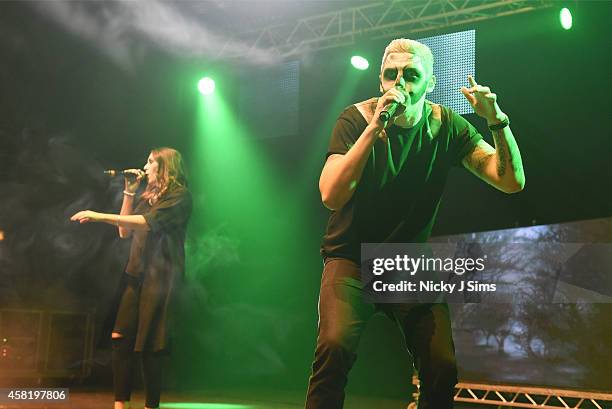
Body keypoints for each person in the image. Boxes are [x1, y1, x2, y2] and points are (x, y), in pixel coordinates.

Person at [305, 38, 525, 409]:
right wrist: (374, 129)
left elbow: (510, 181)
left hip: (407, 261)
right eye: (391, 75)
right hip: (351, 259)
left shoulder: (446, 126)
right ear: (380, 81)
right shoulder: (355, 119)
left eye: (411, 75)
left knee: (441, 364)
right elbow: (330, 195)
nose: (400, 83)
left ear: (430, 83)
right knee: (334, 346)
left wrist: (496, 120)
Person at [71, 147, 192, 409]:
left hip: (159, 279)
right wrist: (129, 191)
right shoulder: (148, 196)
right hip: (135, 274)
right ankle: (120, 405)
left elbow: (147, 223)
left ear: (165, 167)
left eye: (151, 162)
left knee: (150, 344)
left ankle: (151, 405)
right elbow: (125, 230)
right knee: (120, 337)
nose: (145, 167)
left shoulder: (179, 197)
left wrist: (98, 215)